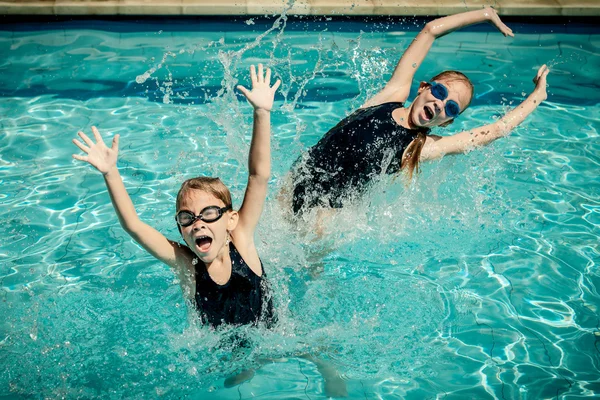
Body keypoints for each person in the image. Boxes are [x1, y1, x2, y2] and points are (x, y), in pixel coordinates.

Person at [72, 64, 281, 328]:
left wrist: (262, 112)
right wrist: (110, 173)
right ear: (181, 230)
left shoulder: (241, 239)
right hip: (228, 355)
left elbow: (258, 176)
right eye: (187, 218)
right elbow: (134, 226)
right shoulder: (187, 265)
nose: (198, 223)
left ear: (230, 219)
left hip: (273, 337)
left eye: (209, 213)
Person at [288, 7, 549, 217]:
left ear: (447, 122)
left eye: (450, 108)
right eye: (439, 92)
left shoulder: (420, 146)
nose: (440, 104)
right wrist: (485, 13)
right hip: (298, 177)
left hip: (326, 215)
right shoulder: (391, 96)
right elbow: (429, 31)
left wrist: (537, 96)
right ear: (424, 87)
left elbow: (494, 130)